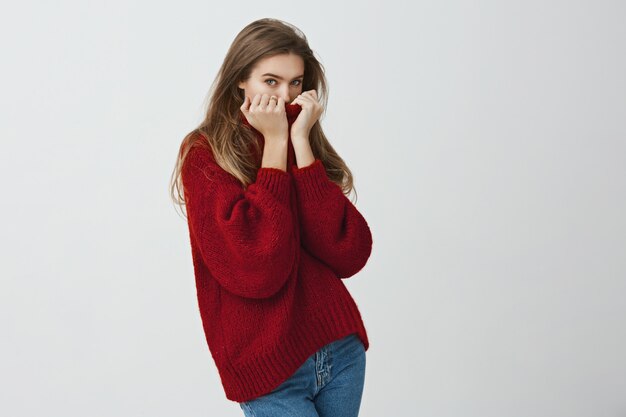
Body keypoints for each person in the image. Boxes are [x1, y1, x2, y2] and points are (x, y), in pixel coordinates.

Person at [169, 17, 373, 417]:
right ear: (240, 80)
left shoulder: (302, 135)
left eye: (296, 83)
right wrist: (276, 145)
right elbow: (259, 266)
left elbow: (349, 252)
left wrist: (300, 143)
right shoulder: (204, 155)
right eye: (271, 81)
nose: (285, 96)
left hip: (339, 347)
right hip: (269, 373)